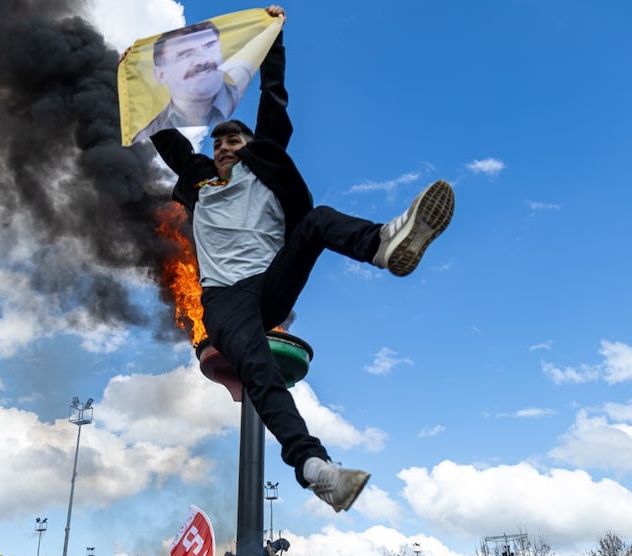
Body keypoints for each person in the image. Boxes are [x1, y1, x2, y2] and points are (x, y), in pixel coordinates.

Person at [150, 5, 455, 512]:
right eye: (220, 139)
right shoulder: (198, 182)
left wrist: (275, 40)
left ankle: (384, 244)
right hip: (226, 301)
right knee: (257, 368)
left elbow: (273, 99)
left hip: (269, 282)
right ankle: (318, 470)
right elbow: (164, 133)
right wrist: (140, 79)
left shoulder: (263, 167)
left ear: (250, 145)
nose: (226, 145)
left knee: (317, 221)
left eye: (236, 138)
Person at [133, 14, 268, 142]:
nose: (202, 60)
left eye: (209, 46)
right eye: (185, 55)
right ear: (161, 75)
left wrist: (272, 30)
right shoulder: (149, 132)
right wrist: (128, 69)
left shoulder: (246, 99)